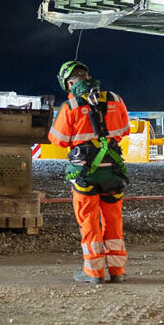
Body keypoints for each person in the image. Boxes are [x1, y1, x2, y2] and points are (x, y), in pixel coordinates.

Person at [49, 59, 130, 285]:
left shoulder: (71, 106)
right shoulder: (115, 99)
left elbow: (58, 140)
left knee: (89, 222)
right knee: (114, 220)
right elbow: (124, 131)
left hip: (84, 174)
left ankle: (94, 272)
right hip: (113, 172)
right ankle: (117, 271)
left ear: (68, 83)